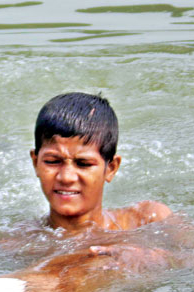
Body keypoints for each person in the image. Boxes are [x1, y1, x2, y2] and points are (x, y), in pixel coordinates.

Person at [30, 92, 172, 234]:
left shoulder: (149, 220)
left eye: (83, 164)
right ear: (36, 163)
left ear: (111, 168)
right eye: (53, 161)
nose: (66, 177)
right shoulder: (16, 245)